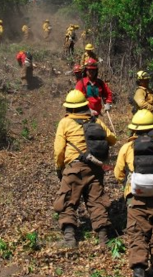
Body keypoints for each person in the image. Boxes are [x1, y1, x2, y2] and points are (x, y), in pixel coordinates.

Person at [114, 109, 153, 277]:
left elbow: (118, 173)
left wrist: (127, 184)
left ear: (134, 129)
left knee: (137, 235)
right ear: (152, 129)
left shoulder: (127, 148)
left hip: (136, 200)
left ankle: (139, 270)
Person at [53, 89, 117, 248]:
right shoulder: (95, 121)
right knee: (96, 202)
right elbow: (112, 139)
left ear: (70, 108)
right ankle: (104, 240)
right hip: (95, 168)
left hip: (74, 168)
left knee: (67, 201)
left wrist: (59, 168)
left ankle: (69, 240)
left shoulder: (65, 122)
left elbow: (59, 150)